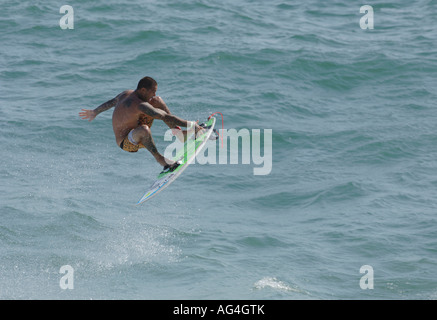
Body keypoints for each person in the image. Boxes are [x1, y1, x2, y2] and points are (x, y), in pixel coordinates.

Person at [79, 76, 204, 172]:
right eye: (152, 91)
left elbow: (111, 102)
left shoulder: (127, 93)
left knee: (157, 101)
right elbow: (164, 116)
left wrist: (95, 111)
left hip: (136, 126)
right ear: (143, 90)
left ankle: (179, 134)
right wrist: (191, 124)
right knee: (144, 129)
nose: (154, 94)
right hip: (127, 143)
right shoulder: (138, 105)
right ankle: (162, 161)